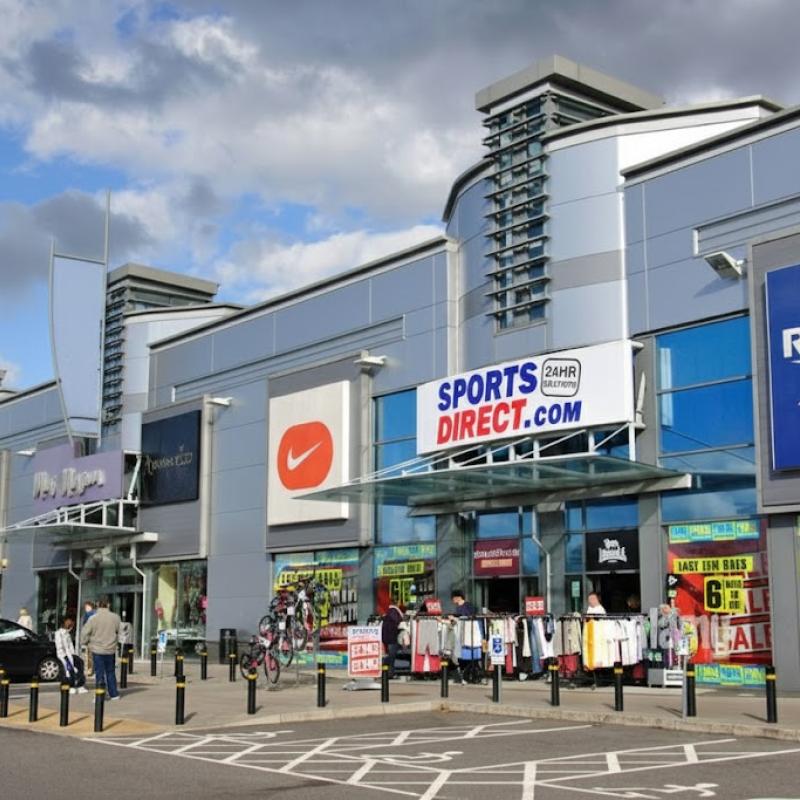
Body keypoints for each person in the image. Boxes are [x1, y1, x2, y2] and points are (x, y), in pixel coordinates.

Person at [80, 598, 122, 700]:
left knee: (99, 673)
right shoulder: (115, 617)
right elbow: (119, 631)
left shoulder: (93, 618)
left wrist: (85, 642)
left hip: (97, 649)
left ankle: (100, 694)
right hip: (110, 649)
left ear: (98, 605)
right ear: (108, 605)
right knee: (110, 672)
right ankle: (114, 694)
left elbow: (84, 633)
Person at [55, 617, 88, 695]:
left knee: (80, 663)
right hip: (62, 655)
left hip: (71, 654)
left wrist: (74, 655)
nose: (71, 629)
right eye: (71, 627)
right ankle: (69, 686)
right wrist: (65, 656)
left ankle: (80, 685)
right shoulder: (59, 633)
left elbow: (70, 646)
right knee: (69, 670)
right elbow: (60, 647)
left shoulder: (67, 634)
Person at [381, 603, 404, 679]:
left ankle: (385, 673)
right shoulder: (394, 612)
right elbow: (396, 622)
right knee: (391, 658)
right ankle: (390, 674)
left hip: (386, 639)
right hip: (392, 639)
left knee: (388, 656)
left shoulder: (387, 613)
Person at [82, 601, 96, 676]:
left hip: (91, 638)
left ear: (89, 606)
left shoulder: (88, 614)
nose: (85, 609)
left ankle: (90, 670)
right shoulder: (97, 613)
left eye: (86, 607)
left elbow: (85, 626)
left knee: (90, 655)